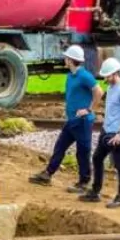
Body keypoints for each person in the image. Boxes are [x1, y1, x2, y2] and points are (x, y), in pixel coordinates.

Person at [30, 45, 103, 193]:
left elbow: (99, 92)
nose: (64, 59)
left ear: (71, 60)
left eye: (66, 58)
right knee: (60, 147)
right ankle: (47, 174)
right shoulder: (71, 75)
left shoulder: (84, 76)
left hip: (82, 121)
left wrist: (89, 109)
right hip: (72, 121)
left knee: (82, 152)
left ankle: (84, 182)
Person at [79, 57, 120, 209]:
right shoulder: (111, 88)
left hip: (117, 134)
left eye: (108, 75)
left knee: (119, 164)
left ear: (116, 73)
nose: (105, 78)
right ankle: (95, 191)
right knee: (97, 158)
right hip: (107, 131)